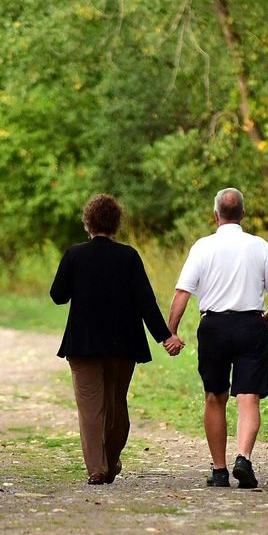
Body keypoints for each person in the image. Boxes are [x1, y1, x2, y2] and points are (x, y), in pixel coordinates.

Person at [50, 195, 184, 486]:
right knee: (116, 404)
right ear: (116, 224)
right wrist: (165, 337)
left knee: (90, 409)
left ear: (88, 223)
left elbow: (57, 296)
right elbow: (146, 302)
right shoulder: (129, 257)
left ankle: (97, 469)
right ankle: (110, 460)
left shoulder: (74, 255)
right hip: (123, 344)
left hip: (83, 343)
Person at [166, 187, 268, 489]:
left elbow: (183, 293)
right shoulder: (259, 245)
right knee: (249, 398)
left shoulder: (202, 247)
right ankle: (243, 458)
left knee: (214, 397)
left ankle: (220, 471)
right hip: (251, 326)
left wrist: (171, 331)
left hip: (214, 328)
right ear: (243, 215)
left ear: (215, 215)